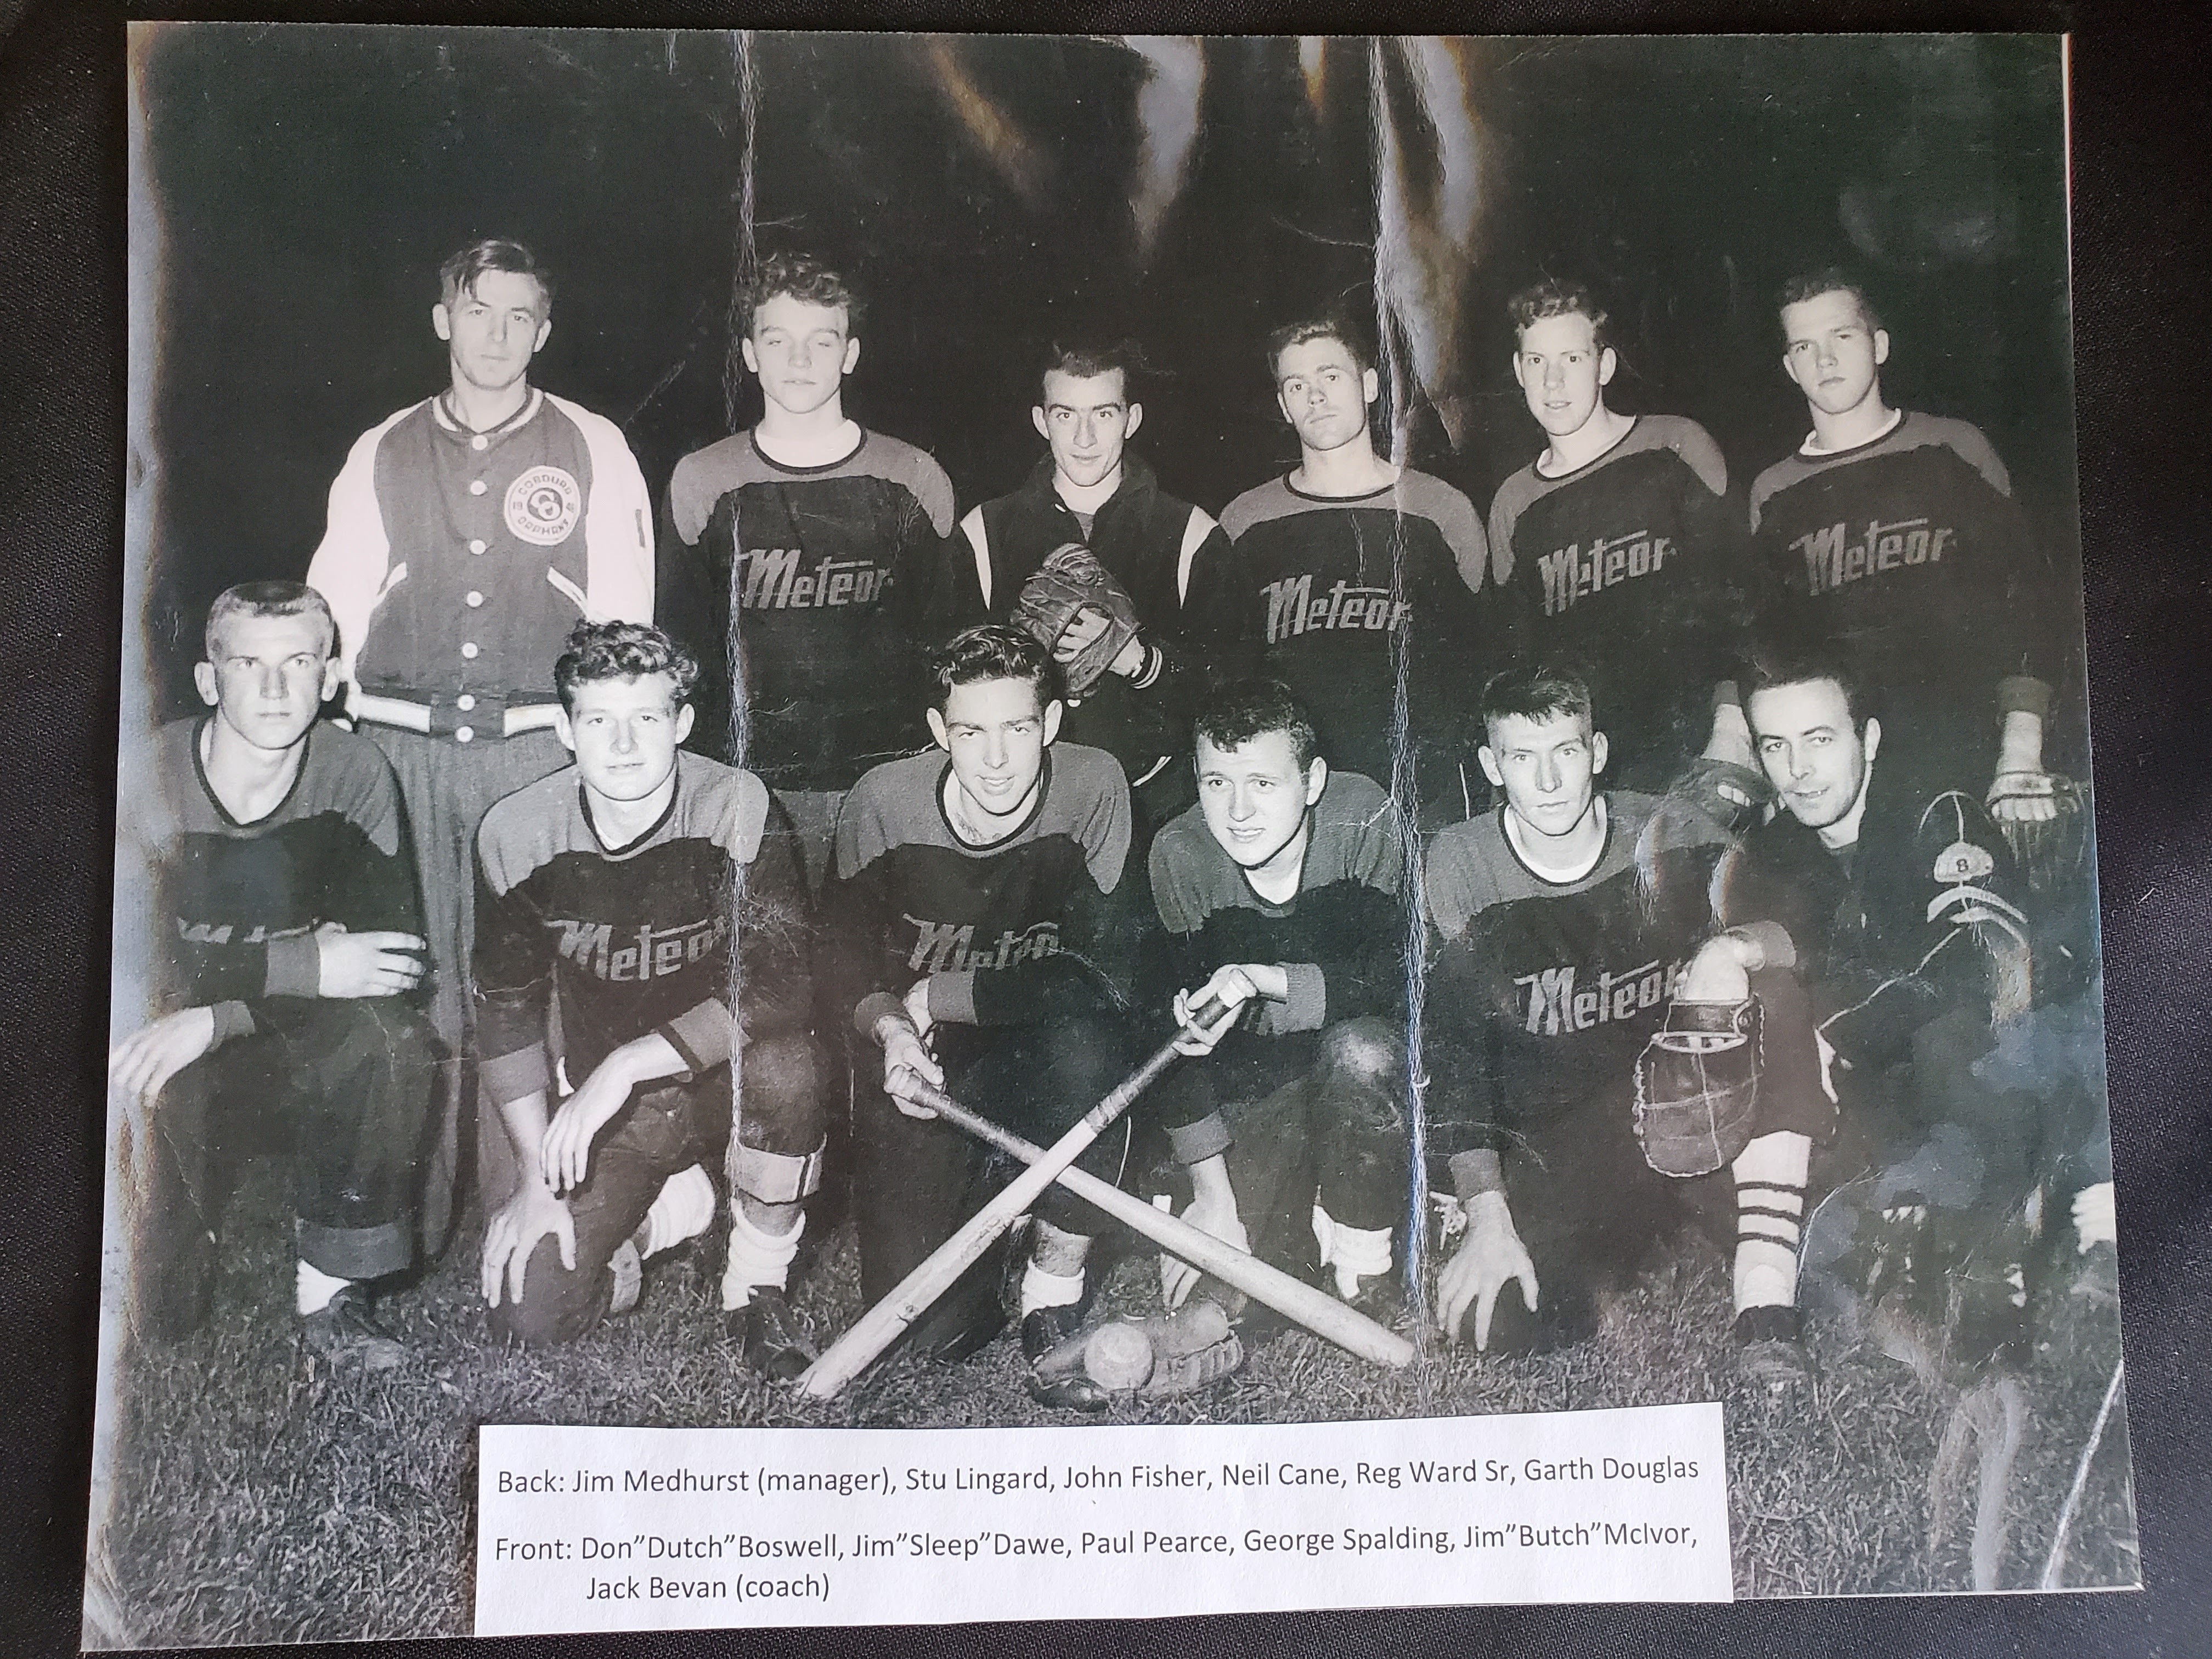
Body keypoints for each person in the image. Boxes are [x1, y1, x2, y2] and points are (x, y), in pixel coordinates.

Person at [304, 238, 656, 1253]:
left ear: (543, 333)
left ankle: (539, 1212)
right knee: (408, 985)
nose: (495, 335)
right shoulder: (383, 445)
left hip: (535, 755)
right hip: (400, 752)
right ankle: (389, 1234)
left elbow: (625, 615)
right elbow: (334, 606)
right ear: (441, 319)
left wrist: (607, 755)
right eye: (477, 311)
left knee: (531, 986)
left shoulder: (593, 444)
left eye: (518, 318)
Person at [1683, 644, 2068, 1382]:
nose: (1798, 769)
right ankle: (1798, 1275)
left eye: (1820, 740)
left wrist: (1830, 1027)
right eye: (1775, 746)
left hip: (1975, 1090)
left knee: (1955, 1041)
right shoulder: (1768, 849)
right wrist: (1728, 960)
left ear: (1870, 740)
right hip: (1851, 1103)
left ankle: (1986, 1266)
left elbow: (1970, 974)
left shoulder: (1939, 813)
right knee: (1752, 1017)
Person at [1422, 665, 1798, 1358]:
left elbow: (1790, 933)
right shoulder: (1459, 865)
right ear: (1490, 766)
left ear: (1596, 752)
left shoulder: (1672, 832)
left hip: (1683, 1095)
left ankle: (1761, 1247)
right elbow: (1456, 1051)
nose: (1547, 782)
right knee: (1511, 1322)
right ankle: (1640, 1224)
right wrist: (1488, 1214)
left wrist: (1734, 947)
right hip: (1559, 1123)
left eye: (1565, 753)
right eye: (1521, 758)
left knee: (1763, 991)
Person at [472, 623, 818, 1367]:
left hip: (726, 1078)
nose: (625, 745)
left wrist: (631, 1061)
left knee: (791, 1069)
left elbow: (785, 984)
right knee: (529, 1310)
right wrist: (536, 1175)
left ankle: (757, 1289)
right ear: (566, 729)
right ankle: (679, 1209)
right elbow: (505, 1011)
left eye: (648, 719)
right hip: (615, 1106)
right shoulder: (517, 830)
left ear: (683, 723)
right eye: (600, 721)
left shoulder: (734, 803)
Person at [109, 583, 435, 1369]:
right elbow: (124, 960)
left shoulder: (356, 773)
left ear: (330, 679)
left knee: (392, 1042)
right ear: (209, 681)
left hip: (267, 1033)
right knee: (160, 1322)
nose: (276, 688)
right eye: (249, 665)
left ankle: (331, 1293)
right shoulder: (147, 776)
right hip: (152, 1036)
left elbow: (389, 959)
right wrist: (304, 961)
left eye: (299, 663)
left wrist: (223, 1013)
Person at [824, 624, 1149, 1404]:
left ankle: (1051, 1283)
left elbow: (1110, 977)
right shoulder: (883, 800)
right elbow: (836, 965)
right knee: (932, 1337)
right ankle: (1002, 1203)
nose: (997, 760)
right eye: (971, 732)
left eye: (1019, 729)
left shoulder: (1096, 785)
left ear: (1053, 724)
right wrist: (894, 1028)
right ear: (940, 732)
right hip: (925, 1073)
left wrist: (939, 994)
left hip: (1041, 1058)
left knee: (1094, 1047)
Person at [659, 250, 958, 890]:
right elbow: (681, 647)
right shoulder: (702, 480)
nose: (799, 362)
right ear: (749, 352)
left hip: (883, 779)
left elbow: (947, 643)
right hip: (746, 783)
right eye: (778, 340)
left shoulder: (913, 477)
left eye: (821, 341)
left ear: (850, 353)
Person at [1746, 269, 2063, 826]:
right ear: (1790, 368)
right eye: (1805, 346)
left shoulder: (1955, 448)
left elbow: (2028, 607)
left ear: (1880, 345)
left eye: (1842, 337)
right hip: (1843, 791)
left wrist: (2020, 755)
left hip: (1970, 761)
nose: (1825, 361)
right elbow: (1771, 656)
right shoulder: (1773, 493)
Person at [1145, 679, 1412, 1330]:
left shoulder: (1364, 818)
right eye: (1216, 784)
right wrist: (1213, 1195)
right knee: (1231, 1300)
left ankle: (1362, 1251)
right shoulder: (1178, 854)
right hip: (1258, 1087)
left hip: (1349, 1066)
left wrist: (1267, 978)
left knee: (1365, 1049)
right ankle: (1288, 1202)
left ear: (1313, 780)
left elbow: (1398, 980)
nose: (1237, 812)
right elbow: (1161, 1029)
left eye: (1262, 784)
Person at [942, 338, 1232, 843]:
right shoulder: (983, 532)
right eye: (1065, 415)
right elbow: (941, 676)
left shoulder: (1191, 532)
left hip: (1155, 801)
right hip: (1017, 807)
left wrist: (1140, 662)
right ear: (1040, 421)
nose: (1084, 437)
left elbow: (1229, 692)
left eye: (1103, 413)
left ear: (1132, 418)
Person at [1211, 315, 1499, 817]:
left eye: (1331, 376)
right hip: (1293, 807)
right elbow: (1230, 675)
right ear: (1283, 405)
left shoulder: (1440, 508)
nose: (1315, 396)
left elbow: (1482, 662)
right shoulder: (1244, 521)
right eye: (1297, 385)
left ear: (1369, 385)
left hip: (1422, 800)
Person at [1485, 280, 1757, 802]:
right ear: (1519, 373)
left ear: (1605, 366)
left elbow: (1743, 600)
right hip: (1586, 778)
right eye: (1537, 362)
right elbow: (1518, 658)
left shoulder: (1676, 446)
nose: (1554, 381)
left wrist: (1733, 726)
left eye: (1572, 358)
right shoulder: (1513, 503)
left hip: (1701, 753)